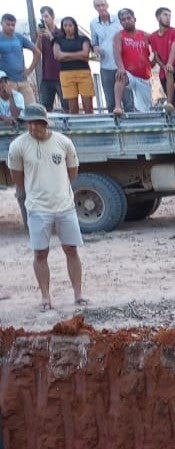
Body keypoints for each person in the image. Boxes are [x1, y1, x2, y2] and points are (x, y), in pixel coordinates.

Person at [7, 104, 87, 311]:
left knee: (71, 249)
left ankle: (78, 294)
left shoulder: (63, 142)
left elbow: (72, 171)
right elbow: (17, 177)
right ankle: (45, 297)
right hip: (37, 208)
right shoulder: (18, 146)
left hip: (65, 206)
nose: (32, 127)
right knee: (40, 253)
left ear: (45, 123)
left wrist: (57, 190)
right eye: (29, 123)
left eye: (36, 123)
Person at [112, 8, 153, 114]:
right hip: (129, 73)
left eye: (128, 18)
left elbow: (158, 48)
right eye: (123, 19)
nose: (126, 21)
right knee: (120, 76)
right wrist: (120, 68)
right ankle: (117, 107)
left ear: (134, 19)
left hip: (144, 75)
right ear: (120, 22)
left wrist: (154, 62)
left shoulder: (145, 35)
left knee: (144, 111)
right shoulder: (119, 35)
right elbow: (117, 53)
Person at [90, 0, 128, 113]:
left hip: (122, 65)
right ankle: (115, 129)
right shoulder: (93, 23)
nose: (101, 8)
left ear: (107, 5)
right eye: (98, 6)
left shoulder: (119, 19)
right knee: (111, 102)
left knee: (128, 100)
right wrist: (96, 48)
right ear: (94, 7)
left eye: (102, 5)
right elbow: (94, 42)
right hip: (105, 66)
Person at [53, 17, 95, 115]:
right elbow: (58, 56)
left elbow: (85, 54)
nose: (68, 28)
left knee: (88, 107)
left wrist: (66, 55)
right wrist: (78, 55)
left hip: (83, 72)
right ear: (62, 27)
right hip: (66, 74)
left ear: (74, 26)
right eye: (65, 25)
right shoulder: (58, 40)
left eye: (70, 25)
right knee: (72, 108)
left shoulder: (83, 39)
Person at [149, 8, 175, 111]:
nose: (168, 18)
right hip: (164, 71)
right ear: (158, 17)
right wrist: (163, 66)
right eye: (165, 15)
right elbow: (156, 56)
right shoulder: (153, 36)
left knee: (169, 71)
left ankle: (168, 103)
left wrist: (169, 64)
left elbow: (174, 48)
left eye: (169, 15)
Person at [0, 14, 40, 105]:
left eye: (13, 25)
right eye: (8, 24)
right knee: (11, 111)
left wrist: (30, 70)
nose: (11, 27)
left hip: (23, 80)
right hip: (6, 82)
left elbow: (37, 52)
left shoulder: (19, 37)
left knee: (32, 108)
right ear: (1, 23)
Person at [35, 6, 63, 112]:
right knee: (45, 109)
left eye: (46, 16)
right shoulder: (42, 34)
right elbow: (37, 50)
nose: (44, 19)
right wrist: (39, 37)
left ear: (53, 17)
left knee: (66, 106)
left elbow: (60, 47)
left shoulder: (60, 32)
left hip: (61, 76)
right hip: (46, 76)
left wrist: (49, 34)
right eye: (42, 17)